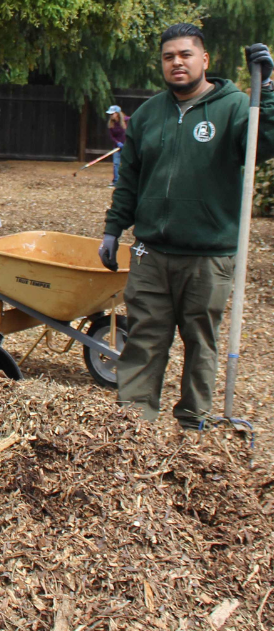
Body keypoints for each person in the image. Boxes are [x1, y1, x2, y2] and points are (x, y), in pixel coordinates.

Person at [99, 25, 274, 431]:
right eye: (168, 57)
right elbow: (130, 180)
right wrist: (113, 228)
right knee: (144, 339)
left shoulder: (234, 107)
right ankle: (133, 427)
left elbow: (263, 145)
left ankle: (194, 426)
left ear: (204, 60)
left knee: (201, 343)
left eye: (185, 55)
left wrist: (266, 92)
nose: (177, 62)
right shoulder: (147, 115)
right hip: (152, 254)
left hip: (208, 255)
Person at [106, 104, 129, 185]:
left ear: (117, 113)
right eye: (110, 114)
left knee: (128, 164)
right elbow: (111, 136)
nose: (111, 116)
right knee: (116, 163)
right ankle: (116, 181)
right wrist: (117, 143)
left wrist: (127, 143)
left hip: (128, 147)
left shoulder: (127, 121)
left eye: (112, 114)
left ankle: (127, 182)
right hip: (117, 147)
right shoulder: (111, 124)